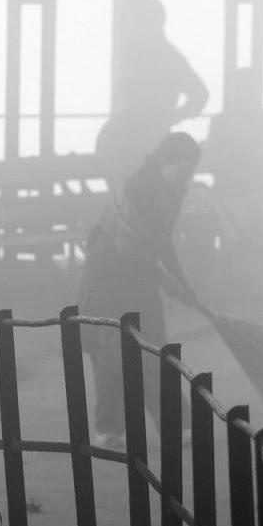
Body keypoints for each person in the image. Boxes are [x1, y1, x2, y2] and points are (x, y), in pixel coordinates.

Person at [81, 132, 201, 444]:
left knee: (153, 348)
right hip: (107, 277)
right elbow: (129, 245)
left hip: (138, 277)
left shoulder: (171, 189)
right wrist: (167, 280)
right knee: (111, 352)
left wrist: (181, 281)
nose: (189, 176)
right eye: (185, 168)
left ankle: (176, 425)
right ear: (164, 160)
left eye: (192, 170)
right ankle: (110, 429)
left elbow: (161, 241)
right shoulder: (140, 187)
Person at [96, 0, 209, 188]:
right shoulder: (142, 55)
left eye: (138, 21)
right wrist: (171, 117)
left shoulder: (166, 57)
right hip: (131, 137)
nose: (134, 28)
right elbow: (200, 94)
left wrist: (170, 118)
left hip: (142, 139)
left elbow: (200, 93)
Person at [205, 69, 263, 294]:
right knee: (238, 231)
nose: (242, 93)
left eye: (247, 87)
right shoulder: (219, 122)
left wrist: (234, 157)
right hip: (233, 192)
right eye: (238, 87)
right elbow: (215, 158)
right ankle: (253, 280)